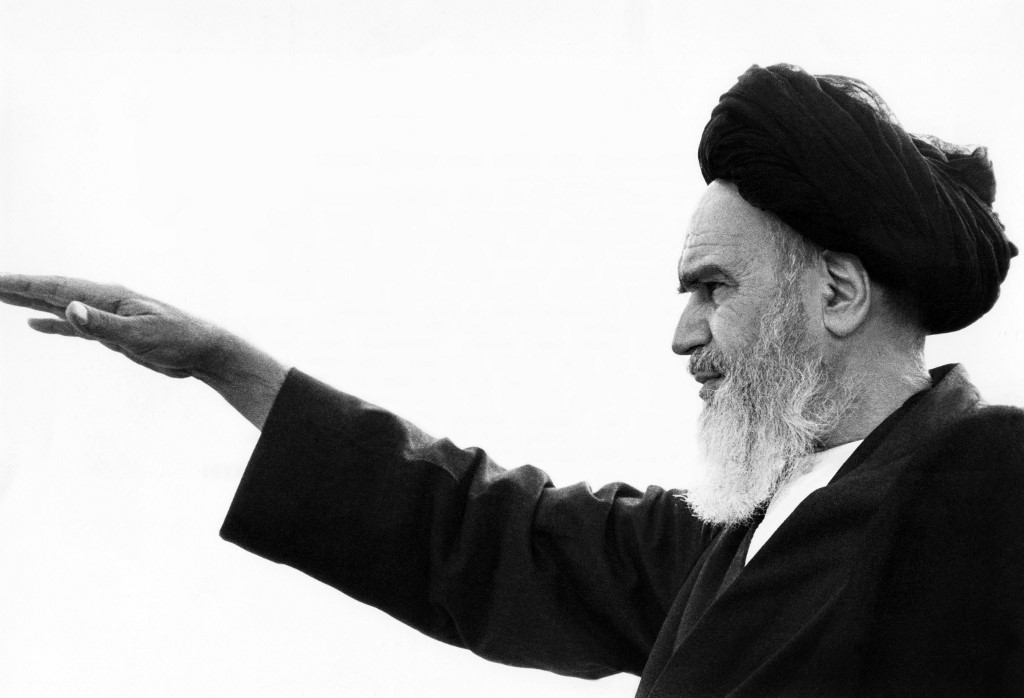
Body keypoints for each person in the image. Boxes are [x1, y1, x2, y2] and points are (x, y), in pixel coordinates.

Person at [1, 64, 1022, 695]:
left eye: (713, 287)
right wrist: (224, 362)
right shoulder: (726, 541)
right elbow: (482, 527)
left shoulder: (991, 482)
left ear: (838, 291)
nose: (682, 334)